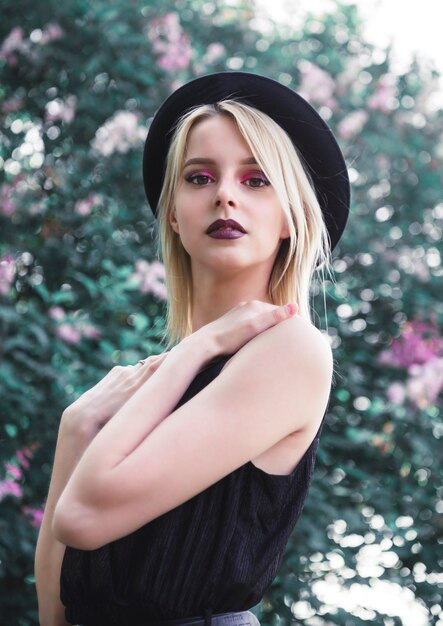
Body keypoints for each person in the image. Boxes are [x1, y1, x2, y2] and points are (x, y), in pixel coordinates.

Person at [35, 72, 350, 626]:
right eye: (200, 177)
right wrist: (74, 429)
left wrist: (198, 346)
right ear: (174, 215)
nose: (225, 193)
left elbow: (82, 516)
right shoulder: (163, 379)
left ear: (290, 218)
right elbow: (59, 608)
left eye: (257, 181)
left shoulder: (291, 352)